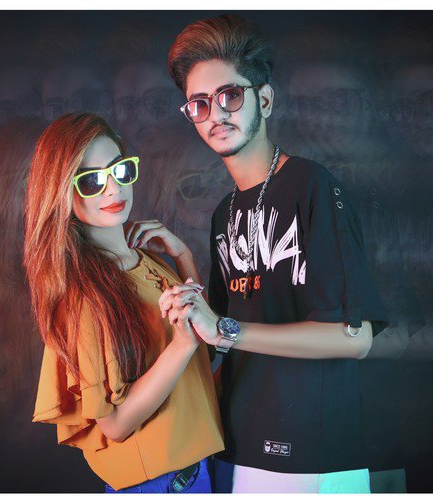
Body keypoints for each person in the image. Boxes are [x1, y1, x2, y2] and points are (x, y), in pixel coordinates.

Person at [163, 14, 389, 493]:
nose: (215, 114)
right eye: (199, 104)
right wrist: (184, 263)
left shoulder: (312, 187)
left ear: (264, 100)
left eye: (230, 95)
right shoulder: (223, 214)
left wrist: (227, 329)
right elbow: (221, 333)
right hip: (238, 449)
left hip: (314, 457)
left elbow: (354, 338)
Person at [23, 112, 223, 493]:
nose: (114, 189)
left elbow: (203, 342)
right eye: (92, 181)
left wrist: (183, 258)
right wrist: (181, 346)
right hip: (161, 481)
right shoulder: (85, 296)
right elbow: (114, 424)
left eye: (120, 170)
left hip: (194, 465)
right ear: (62, 192)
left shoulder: (144, 260)